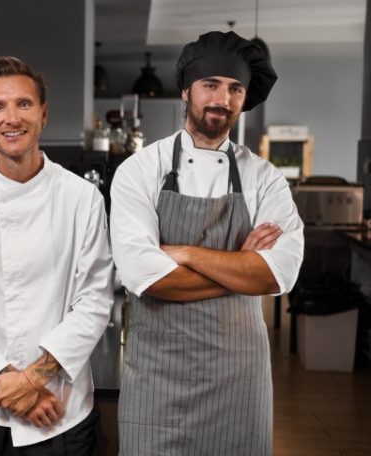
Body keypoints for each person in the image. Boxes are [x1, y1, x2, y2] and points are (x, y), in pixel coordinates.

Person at [111, 31, 304, 455]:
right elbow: (145, 276)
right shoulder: (140, 171)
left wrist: (185, 254)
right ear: (186, 91)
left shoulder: (263, 177)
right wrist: (241, 266)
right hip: (157, 375)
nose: (223, 98)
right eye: (210, 85)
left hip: (238, 376)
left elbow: (279, 273)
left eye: (235, 88)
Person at [0, 56, 114, 455]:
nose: (11, 118)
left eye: (24, 104)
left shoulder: (81, 199)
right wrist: (18, 387)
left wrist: (33, 379)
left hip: (60, 408)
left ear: (44, 114)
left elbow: (95, 301)